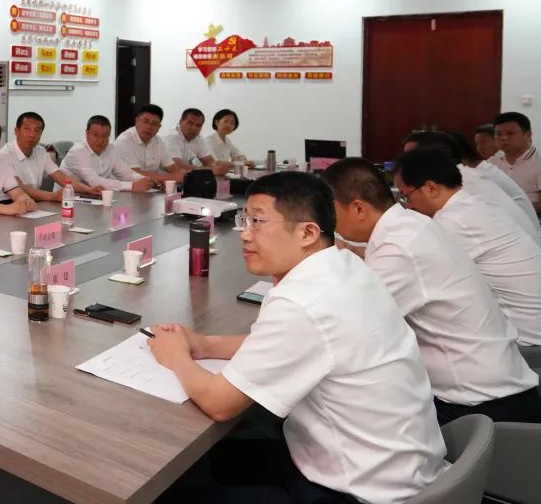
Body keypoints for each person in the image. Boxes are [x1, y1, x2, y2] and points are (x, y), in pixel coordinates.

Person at [149, 172, 446, 504]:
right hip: (394, 465)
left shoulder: (303, 302)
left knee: (174, 490)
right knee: (217, 459)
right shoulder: (343, 265)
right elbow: (284, 344)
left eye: (258, 222)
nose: (244, 234)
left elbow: (220, 404)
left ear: (307, 232)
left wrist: (177, 357)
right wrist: (205, 345)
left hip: (359, 491)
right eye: (245, 220)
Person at [323, 158, 541, 426]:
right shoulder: (410, 224)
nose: (330, 224)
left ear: (358, 208)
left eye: (331, 213)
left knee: (336, 410)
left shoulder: (399, 247)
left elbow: (349, 326)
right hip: (496, 388)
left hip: (482, 409)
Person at [394, 147, 541, 346]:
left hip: (528, 343)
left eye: (406, 196)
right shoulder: (472, 205)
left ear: (431, 188)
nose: (408, 206)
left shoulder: (455, 221)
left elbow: (409, 274)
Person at [403, 131, 541, 246]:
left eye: (409, 159)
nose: (404, 166)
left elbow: (431, 232)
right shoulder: (466, 175)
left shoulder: (460, 184)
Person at [0, 111, 102, 202]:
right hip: (8, 203)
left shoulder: (40, 151)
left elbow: (61, 177)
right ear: (16, 131)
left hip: (34, 204)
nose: (32, 135)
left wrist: (88, 190)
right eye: (27, 129)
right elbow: (21, 188)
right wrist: (52, 196)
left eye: (37, 130)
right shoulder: (4, 156)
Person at [492, 112, 541, 223]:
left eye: (510, 133)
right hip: (510, 220)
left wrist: (507, 211)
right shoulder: (494, 162)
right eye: (498, 134)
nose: (503, 138)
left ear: (528, 135)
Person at [62, 115, 153, 193]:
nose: (101, 140)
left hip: (94, 197)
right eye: (96, 135)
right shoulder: (77, 151)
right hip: (67, 198)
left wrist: (145, 180)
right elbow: (94, 181)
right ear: (87, 133)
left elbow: (126, 173)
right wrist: (132, 186)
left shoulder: (110, 149)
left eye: (105, 136)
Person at [113, 104, 184, 185]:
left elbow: (172, 167)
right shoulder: (124, 141)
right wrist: (174, 178)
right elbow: (135, 173)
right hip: (124, 188)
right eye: (145, 121)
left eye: (154, 124)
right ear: (137, 121)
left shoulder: (157, 141)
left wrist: (185, 176)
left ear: (159, 127)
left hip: (151, 188)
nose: (149, 127)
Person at [162, 108, 230, 176]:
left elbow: (208, 160)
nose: (194, 128)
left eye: (198, 125)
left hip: (186, 177)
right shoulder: (171, 137)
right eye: (190, 123)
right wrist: (211, 170)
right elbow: (177, 166)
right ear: (181, 122)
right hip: (166, 178)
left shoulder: (198, 137)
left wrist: (217, 168)